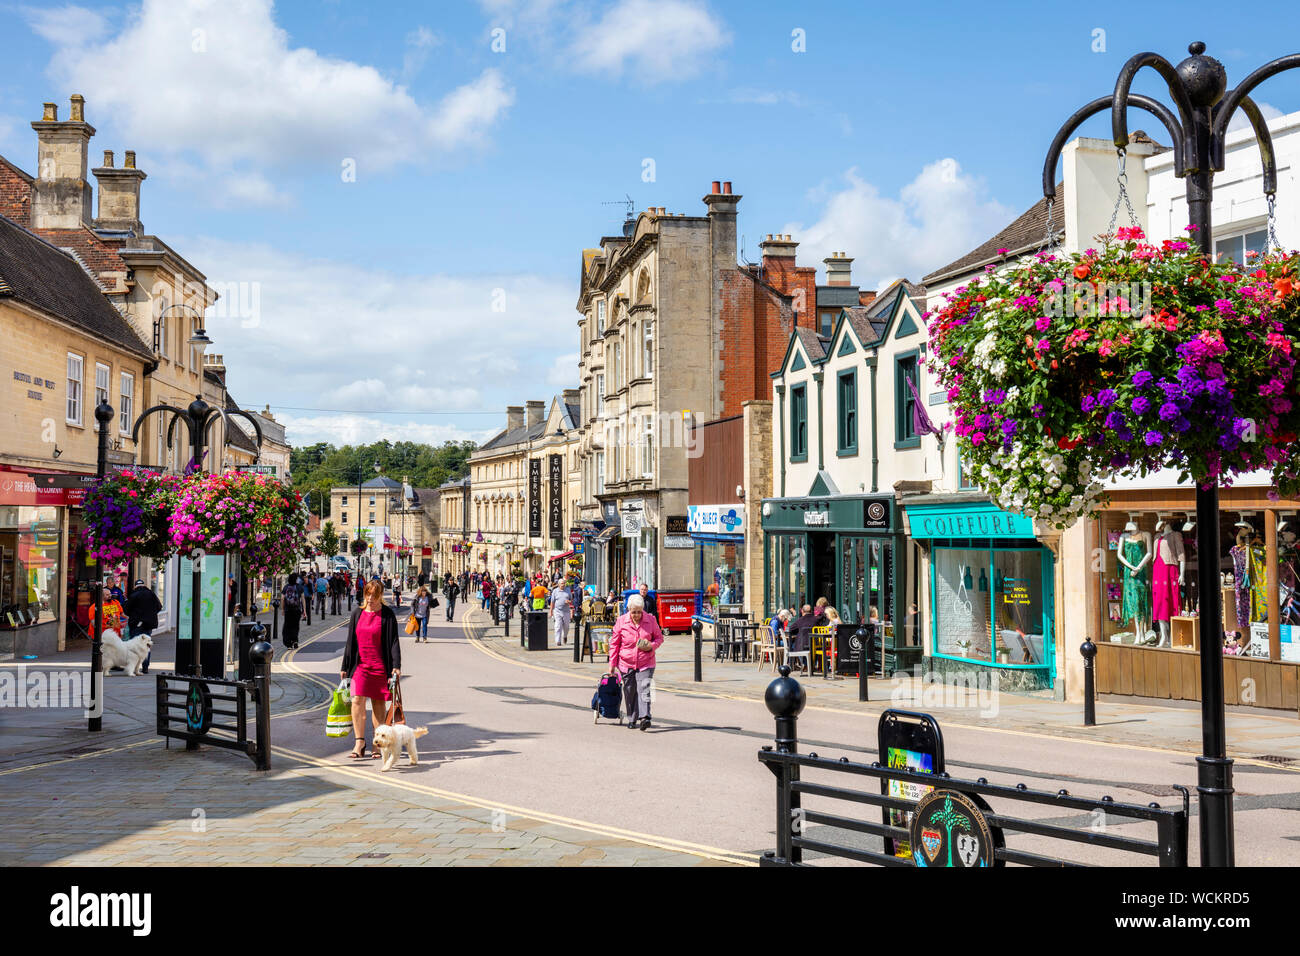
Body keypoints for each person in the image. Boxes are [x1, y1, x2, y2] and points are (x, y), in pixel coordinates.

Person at [340, 579, 401, 759]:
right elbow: (350, 642)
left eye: (374, 595)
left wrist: (396, 665)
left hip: (380, 666)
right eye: (368, 594)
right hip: (360, 666)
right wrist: (345, 666)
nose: (370, 598)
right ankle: (359, 742)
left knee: (378, 703)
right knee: (357, 699)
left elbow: (394, 643)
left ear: (380, 596)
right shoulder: (357, 614)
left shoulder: (387, 615)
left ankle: (377, 742)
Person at [608, 594, 664, 731]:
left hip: (646, 662)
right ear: (628, 610)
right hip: (626, 663)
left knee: (644, 688)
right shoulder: (621, 621)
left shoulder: (650, 620)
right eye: (634, 612)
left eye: (639, 612)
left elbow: (659, 638)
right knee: (630, 691)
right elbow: (614, 644)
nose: (637, 615)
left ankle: (645, 717)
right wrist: (612, 665)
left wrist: (651, 646)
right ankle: (632, 718)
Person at [125, 579, 162, 674]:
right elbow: (159, 607)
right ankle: (145, 667)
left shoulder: (133, 595)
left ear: (135, 586)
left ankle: (133, 667)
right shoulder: (152, 594)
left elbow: (126, 610)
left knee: (134, 646)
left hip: (136, 625)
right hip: (148, 624)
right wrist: (149, 615)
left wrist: (135, 616)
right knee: (146, 645)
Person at [281, 575, 303, 648]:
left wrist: (283, 609)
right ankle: (295, 641)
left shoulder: (286, 587)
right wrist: (304, 611)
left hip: (288, 610)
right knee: (295, 626)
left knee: (287, 626)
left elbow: (282, 599)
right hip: (297, 610)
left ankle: (288, 644)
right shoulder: (299, 587)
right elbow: (303, 600)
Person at [550, 582, 572, 646]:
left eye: (564, 583)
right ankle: (558, 641)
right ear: (559, 584)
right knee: (558, 626)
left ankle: (565, 636)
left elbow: (571, 599)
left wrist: (569, 601)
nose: (563, 585)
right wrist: (551, 611)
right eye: (562, 583)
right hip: (557, 611)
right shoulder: (555, 591)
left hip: (566, 611)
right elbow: (552, 601)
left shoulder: (568, 590)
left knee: (566, 626)